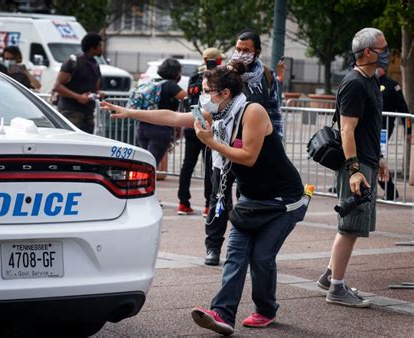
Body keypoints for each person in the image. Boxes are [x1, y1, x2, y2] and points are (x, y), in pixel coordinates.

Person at [100, 63, 307, 334]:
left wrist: (210, 142)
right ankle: (221, 314)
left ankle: (266, 310)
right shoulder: (213, 113)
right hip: (251, 198)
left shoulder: (251, 111)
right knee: (235, 255)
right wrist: (128, 112)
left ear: (224, 93)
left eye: (207, 91)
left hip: (283, 200)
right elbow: (173, 118)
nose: (201, 96)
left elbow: (249, 156)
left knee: (261, 258)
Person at [316, 28, 390, 308]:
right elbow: (347, 130)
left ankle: (330, 275)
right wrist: (355, 169)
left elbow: (368, 128)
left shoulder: (370, 80)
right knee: (349, 227)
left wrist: (379, 158)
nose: (387, 53)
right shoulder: (354, 84)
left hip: (367, 160)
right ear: (368, 52)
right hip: (356, 165)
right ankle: (336, 288)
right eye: (383, 48)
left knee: (354, 226)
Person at [203, 29, 282, 266]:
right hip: (225, 148)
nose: (241, 53)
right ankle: (213, 246)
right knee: (219, 197)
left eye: (246, 50)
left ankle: (244, 247)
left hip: (253, 149)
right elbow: (209, 105)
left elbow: (275, 112)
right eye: (238, 48)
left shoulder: (266, 76)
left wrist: (276, 144)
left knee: (249, 200)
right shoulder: (224, 74)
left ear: (256, 52)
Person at [177, 48, 222, 216]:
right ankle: (207, 205)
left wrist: (196, 121)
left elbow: (191, 102)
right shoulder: (219, 78)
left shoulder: (195, 77)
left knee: (187, 165)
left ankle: (183, 203)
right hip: (209, 126)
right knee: (210, 167)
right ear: (218, 60)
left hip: (193, 123)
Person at [136, 58, 187, 165]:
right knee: (150, 164)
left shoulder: (153, 83)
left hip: (142, 127)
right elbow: (187, 98)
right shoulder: (170, 85)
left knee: (146, 162)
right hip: (160, 129)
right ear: (176, 73)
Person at [53, 33, 103, 134]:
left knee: (86, 146)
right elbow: (57, 86)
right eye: (100, 45)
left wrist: (99, 93)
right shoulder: (73, 62)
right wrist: (78, 97)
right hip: (71, 112)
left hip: (88, 113)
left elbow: (95, 88)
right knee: (69, 145)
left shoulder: (95, 64)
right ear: (92, 47)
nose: (102, 48)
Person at [376, 66, 411, 200]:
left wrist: (408, 131)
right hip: (367, 128)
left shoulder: (392, 85)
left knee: (376, 159)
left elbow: (404, 110)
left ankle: (389, 190)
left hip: (383, 130)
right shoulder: (367, 83)